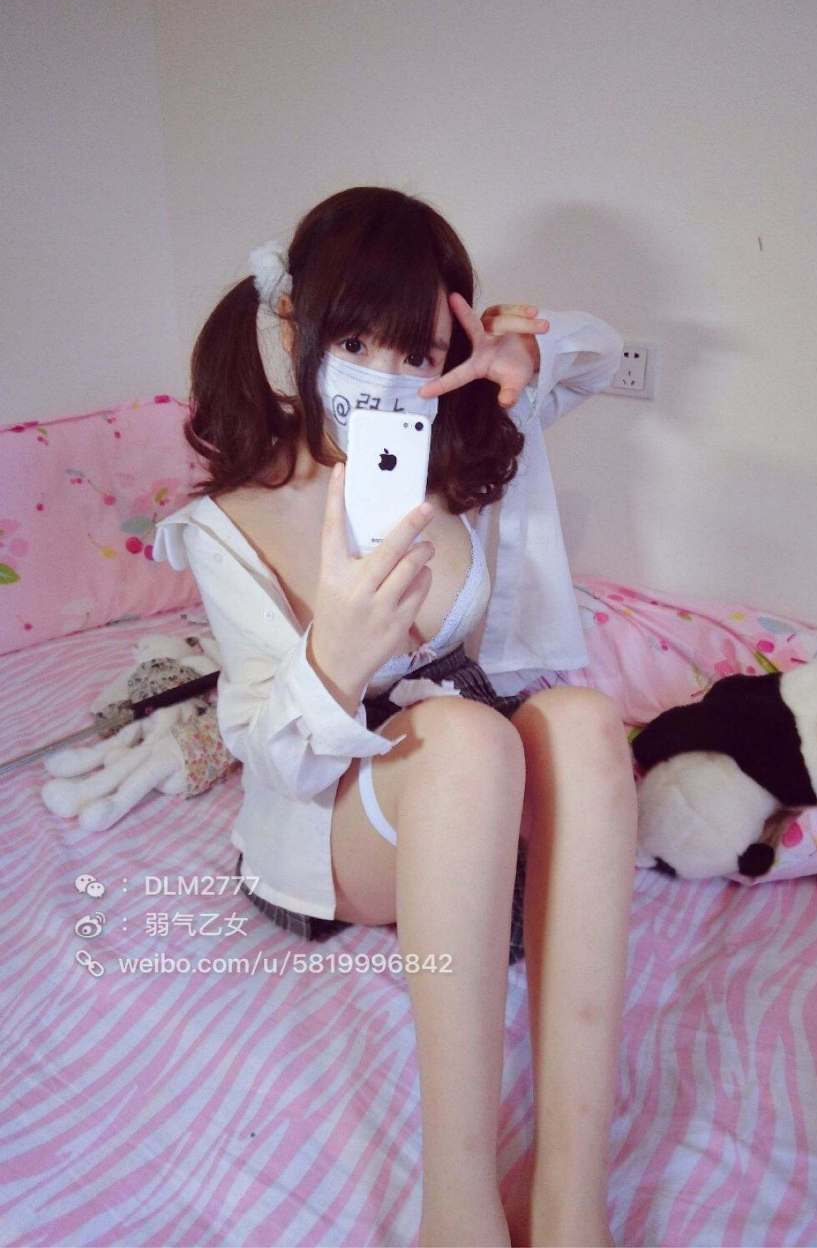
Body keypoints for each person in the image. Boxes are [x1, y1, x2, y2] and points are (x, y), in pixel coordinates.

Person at [152, 186, 638, 1248]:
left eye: (417, 351)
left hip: (467, 816)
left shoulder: (453, 451)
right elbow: (268, 754)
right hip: (335, 823)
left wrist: (523, 352)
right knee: (466, 737)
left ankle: (570, 1196)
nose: (386, 374)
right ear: (294, 329)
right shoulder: (227, 526)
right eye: (356, 341)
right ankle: (457, 1211)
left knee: (585, 721)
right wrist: (336, 654)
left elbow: (604, 356)